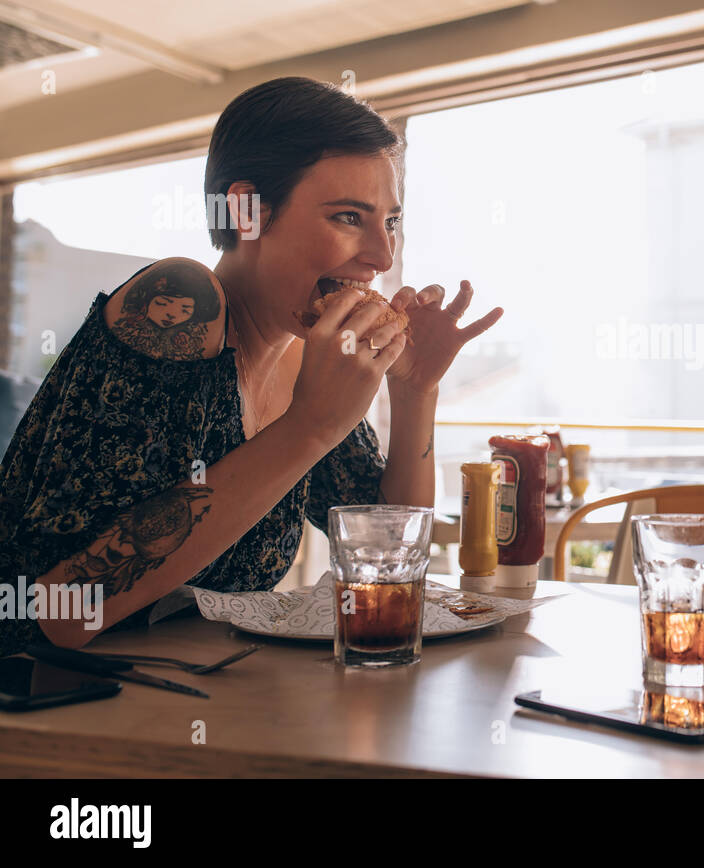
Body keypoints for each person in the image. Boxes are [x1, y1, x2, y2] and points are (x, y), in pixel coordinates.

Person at [0, 76, 501, 654]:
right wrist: (311, 424)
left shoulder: (305, 357)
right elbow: (61, 611)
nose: (382, 256)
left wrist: (415, 390)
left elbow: (390, 552)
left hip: (188, 692)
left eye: (389, 221)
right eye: (347, 218)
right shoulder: (179, 303)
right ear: (245, 211)